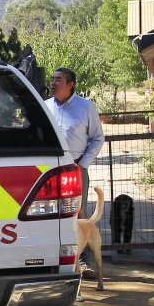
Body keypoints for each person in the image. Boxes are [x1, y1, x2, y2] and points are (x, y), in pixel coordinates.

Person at [45, 67, 105, 276]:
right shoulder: (45, 107)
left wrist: (83, 164)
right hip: (50, 172)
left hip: (76, 170)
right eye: (52, 79)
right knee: (49, 213)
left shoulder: (86, 108)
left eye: (58, 80)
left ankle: (83, 261)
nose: (53, 83)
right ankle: (53, 259)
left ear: (71, 84)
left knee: (78, 215)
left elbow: (98, 138)